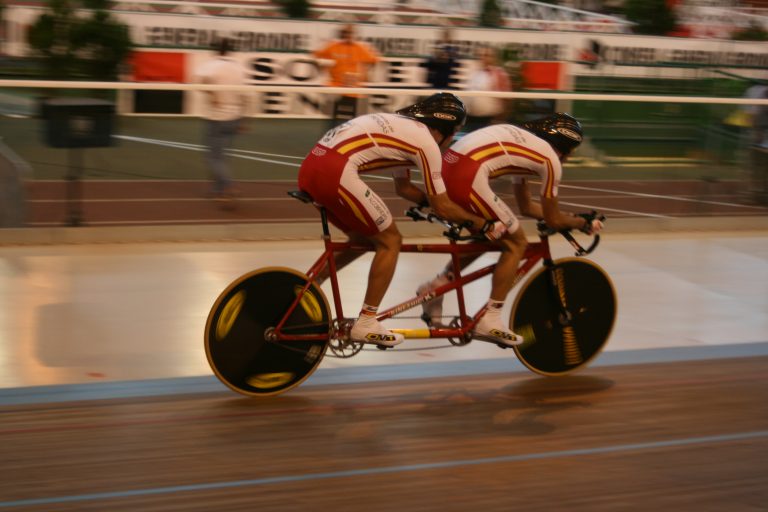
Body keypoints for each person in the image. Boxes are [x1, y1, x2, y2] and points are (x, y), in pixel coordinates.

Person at [298, 93, 497, 348]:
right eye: (454, 133)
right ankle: (367, 322)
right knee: (390, 240)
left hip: (311, 169)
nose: (451, 141)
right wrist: (483, 224)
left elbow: (404, 188)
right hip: (335, 173)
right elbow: (443, 205)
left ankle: (310, 286)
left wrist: (430, 204)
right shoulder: (426, 143)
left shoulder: (403, 129)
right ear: (444, 130)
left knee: (362, 238)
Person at [416, 113, 604, 346]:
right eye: (572, 150)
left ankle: (437, 285)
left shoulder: (526, 145)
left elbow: (526, 207)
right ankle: (491, 319)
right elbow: (553, 219)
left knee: (494, 232)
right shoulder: (551, 161)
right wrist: (582, 223)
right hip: (468, 176)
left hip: (449, 171)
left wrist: (572, 218)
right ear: (564, 147)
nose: (569, 157)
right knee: (517, 242)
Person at [195, 37, 249, 206]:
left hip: (217, 117)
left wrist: (212, 94)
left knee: (213, 158)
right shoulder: (239, 67)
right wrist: (244, 119)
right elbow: (247, 94)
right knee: (223, 157)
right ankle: (217, 191)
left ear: (216, 50)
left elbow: (198, 79)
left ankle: (229, 186)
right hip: (235, 116)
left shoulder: (211, 65)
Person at [313, 23, 380, 126]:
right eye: (345, 32)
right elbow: (316, 55)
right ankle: (332, 135)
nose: (348, 35)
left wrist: (366, 73)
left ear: (354, 34)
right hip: (335, 87)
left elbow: (374, 60)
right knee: (334, 118)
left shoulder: (360, 48)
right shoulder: (333, 46)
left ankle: (350, 135)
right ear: (341, 34)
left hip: (353, 89)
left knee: (353, 120)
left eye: (350, 33)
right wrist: (323, 67)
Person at [464, 45, 512, 132]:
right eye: (480, 55)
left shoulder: (499, 74)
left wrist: (499, 120)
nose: (483, 57)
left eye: (486, 55)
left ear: (493, 58)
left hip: (489, 119)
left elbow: (507, 99)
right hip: (471, 118)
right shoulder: (473, 72)